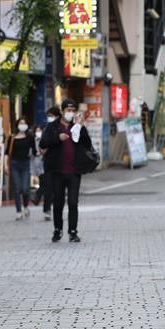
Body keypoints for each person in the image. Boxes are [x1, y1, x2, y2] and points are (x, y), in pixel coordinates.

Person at [39, 99, 92, 243]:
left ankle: (73, 232)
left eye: (73, 111)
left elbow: (87, 144)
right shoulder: (53, 127)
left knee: (73, 202)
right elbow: (43, 143)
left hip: (74, 171)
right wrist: (58, 138)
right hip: (57, 171)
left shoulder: (77, 126)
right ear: (62, 111)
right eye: (68, 110)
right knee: (58, 202)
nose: (70, 113)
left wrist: (81, 128)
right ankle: (58, 229)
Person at [32, 106, 60, 221]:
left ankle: (55, 208)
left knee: (56, 188)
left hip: (60, 162)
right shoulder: (47, 129)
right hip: (48, 162)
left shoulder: (62, 128)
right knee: (48, 186)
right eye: (48, 116)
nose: (49, 118)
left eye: (51, 116)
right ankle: (47, 209)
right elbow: (42, 146)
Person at [8, 116, 35, 220]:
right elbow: (7, 152)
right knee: (17, 189)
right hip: (14, 163)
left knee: (25, 189)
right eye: (21, 123)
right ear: (17, 125)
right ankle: (18, 211)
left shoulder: (30, 137)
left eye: (24, 123)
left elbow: (34, 150)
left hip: (25, 163)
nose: (22, 125)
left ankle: (26, 206)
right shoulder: (12, 137)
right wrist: (6, 165)